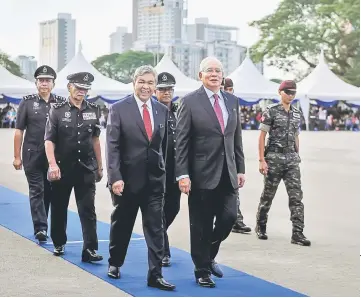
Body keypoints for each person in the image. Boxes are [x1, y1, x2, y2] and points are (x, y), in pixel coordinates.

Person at [175, 57, 246, 288]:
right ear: (200, 75)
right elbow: (182, 141)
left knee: (229, 217)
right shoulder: (189, 102)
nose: (214, 74)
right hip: (200, 173)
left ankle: (209, 254)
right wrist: (182, 174)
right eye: (209, 71)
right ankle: (202, 270)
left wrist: (241, 169)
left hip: (228, 172)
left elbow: (236, 138)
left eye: (218, 70)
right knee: (201, 224)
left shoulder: (232, 101)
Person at [106, 65, 175, 291]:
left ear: (155, 86)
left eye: (150, 83)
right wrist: (115, 177)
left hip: (155, 181)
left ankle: (155, 274)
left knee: (156, 228)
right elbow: (113, 147)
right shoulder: (118, 109)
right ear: (134, 82)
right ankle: (115, 262)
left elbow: (163, 148)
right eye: (142, 82)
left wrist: (164, 174)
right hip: (126, 181)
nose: (146, 87)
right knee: (122, 224)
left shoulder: (162, 111)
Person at [44, 72, 104, 261]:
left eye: (85, 88)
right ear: (69, 87)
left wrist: (100, 166)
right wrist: (52, 164)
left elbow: (95, 140)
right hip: (63, 168)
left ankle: (90, 249)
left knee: (88, 210)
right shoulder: (57, 110)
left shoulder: (94, 109)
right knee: (59, 207)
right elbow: (49, 141)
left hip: (86, 168)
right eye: (78, 87)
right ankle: (59, 243)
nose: (82, 91)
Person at [13, 65, 66, 242]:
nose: (44, 83)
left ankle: (43, 222)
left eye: (48, 80)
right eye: (41, 80)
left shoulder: (60, 103)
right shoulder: (27, 102)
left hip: (53, 157)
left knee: (49, 192)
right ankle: (41, 228)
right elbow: (19, 130)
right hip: (32, 154)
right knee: (37, 190)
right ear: (36, 82)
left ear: (53, 83)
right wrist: (16, 156)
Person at [256, 80, 311, 246]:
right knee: (268, 195)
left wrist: (297, 154)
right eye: (288, 92)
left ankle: (298, 233)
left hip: (291, 160)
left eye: (293, 92)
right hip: (274, 158)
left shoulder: (295, 113)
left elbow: (296, 135)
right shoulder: (271, 111)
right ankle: (261, 225)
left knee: (296, 197)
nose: (291, 95)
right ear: (280, 92)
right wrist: (261, 160)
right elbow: (262, 136)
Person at [154, 72, 181, 267]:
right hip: (155, 170)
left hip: (175, 170)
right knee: (158, 211)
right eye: (162, 89)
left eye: (169, 89)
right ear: (155, 91)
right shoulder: (151, 110)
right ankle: (162, 249)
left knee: (173, 208)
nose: (166, 92)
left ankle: (155, 233)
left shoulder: (180, 111)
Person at [222, 77, 251, 234]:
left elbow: (237, 139)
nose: (228, 92)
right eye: (225, 89)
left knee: (233, 191)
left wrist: (241, 168)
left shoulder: (233, 105)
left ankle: (236, 220)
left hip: (231, 156)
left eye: (230, 89)